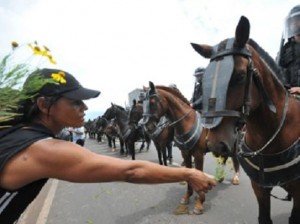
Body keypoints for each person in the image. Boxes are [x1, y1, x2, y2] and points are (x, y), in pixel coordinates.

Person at [0, 68, 216, 223]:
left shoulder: (18, 133)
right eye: (75, 101)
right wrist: (190, 173)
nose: (84, 106)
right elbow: (132, 170)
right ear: (43, 104)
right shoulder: (44, 149)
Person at [277, 5, 300, 97]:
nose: (297, 26)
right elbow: (275, 72)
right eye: (294, 23)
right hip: (288, 97)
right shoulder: (285, 50)